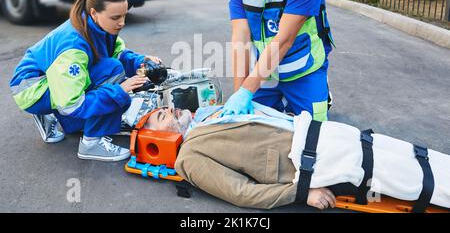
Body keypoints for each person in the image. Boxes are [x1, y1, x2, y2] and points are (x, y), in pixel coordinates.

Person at [141, 104, 450, 211]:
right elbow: (240, 192)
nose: (168, 111)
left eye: (163, 108)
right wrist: (303, 193)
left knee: (412, 155)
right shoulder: (189, 156)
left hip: (319, 134)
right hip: (312, 161)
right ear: (155, 140)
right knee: (413, 180)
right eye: (160, 117)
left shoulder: (207, 117)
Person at [10, 0, 163, 162]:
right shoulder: (73, 48)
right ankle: (91, 143)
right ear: (94, 13)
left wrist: (142, 62)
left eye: (124, 15)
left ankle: (50, 116)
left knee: (111, 69)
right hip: (31, 90)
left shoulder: (98, 25)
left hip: (44, 79)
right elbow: (72, 105)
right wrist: (120, 91)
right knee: (111, 73)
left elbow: (118, 54)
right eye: (115, 18)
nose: (121, 23)